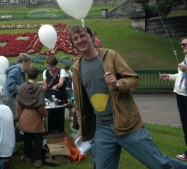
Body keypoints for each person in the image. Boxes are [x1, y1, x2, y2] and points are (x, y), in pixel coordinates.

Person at [69, 25, 187, 169]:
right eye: (75, 39)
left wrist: (117, 84)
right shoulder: (77, 68)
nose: (80, 40)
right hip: (102, 129)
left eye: (82, 35)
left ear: (91, 37)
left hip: (128, 125)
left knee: (160, 164)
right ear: (73, 44)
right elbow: (81, 102)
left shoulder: (110, 56)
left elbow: (134, 80)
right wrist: (82, 126)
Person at [160, 37, 187, 160]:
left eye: (185, 44)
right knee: (185, 125)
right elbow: (180, 76)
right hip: (180, 94)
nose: (182, 46)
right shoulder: (184, 60)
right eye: (182, 44)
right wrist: (169, 77)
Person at [17, 66, 48, 168]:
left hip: (25, 115)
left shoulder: (22, 87)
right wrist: (45, 114)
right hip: (36, 116)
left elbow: (19, 104)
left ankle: (28, 156)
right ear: (37, 75)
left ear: (27, 75)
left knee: (27, 138)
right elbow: (41, 106)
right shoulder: (39, 88)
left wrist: (19, 116)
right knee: (38, 138)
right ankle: (38, 159)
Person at [1, 53, 31, 121]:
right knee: (9, 121)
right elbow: (10, 85)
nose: (29, 66)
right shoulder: (16, 70)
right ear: (23, 62)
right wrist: (24, 88)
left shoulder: (19, 70)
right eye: (28, 63)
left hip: (10, 98)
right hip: (9, 99)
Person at [42, 55, 67, 132]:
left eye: (51, 66)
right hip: (49, 96)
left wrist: (56, 86)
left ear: (56, 65)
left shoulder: (61, 71)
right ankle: (51, 130)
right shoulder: (45, 72)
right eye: (48, 66)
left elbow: (61, 83)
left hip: (59, 95)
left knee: (59, 113)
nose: (49, 68)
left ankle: (59, 131)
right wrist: (45, 86)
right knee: (50, 113)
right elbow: (45, 83)